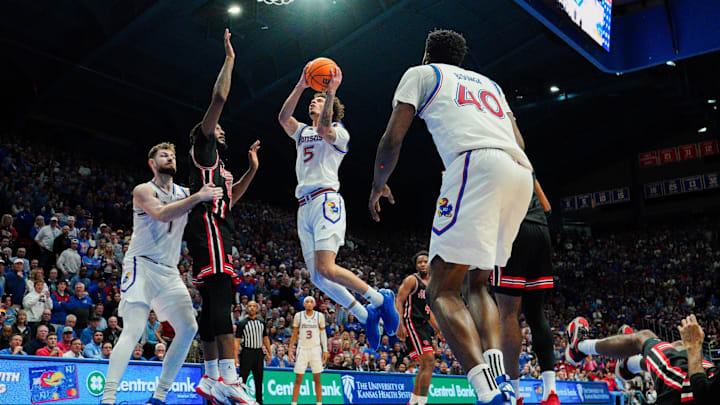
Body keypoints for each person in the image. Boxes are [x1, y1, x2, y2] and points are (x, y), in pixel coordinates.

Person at [369, 29, 534, 405]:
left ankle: (486, 390)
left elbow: (392, 138)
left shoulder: (422, 74)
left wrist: (378, 184)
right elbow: (519, 142)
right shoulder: (490, 84)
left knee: (440, 288)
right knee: (478, 284)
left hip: (476, 164)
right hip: (520, 173)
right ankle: (501, 381)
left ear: (428, 54)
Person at [278, 60, 398, 351]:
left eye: (317, 100)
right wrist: (301, 85)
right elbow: (283, 118)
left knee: (327, 268)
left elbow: (323, 129)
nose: (313, 102)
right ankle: (363, 312)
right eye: (313, 99)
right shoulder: (302, 132)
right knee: (318, 277)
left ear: (332, 108)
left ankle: (382, 299)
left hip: (325, 201)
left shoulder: (339, 133)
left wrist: (330, 91)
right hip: (303, 205)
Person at [100, 141, 224, 405]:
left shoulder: (185, 192)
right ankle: (108, 398)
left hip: (169, 271)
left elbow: (223, 197)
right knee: (133, 329)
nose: (169, 158)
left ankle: (158, 397)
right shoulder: (144, 190)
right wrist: (198, 197)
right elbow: (161, 214)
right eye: (163, 155)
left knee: (190, 327)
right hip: (141, 265)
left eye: (172, 155)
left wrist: (246, 173)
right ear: (152, 163)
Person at [183, 28, 259, 405]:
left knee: (212, 306)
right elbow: (219, 97)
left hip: (216, 227)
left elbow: (232, 198)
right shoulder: (205, 149)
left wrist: (252, 170)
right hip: (209, 231)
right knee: (221, 304)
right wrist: (229, 60)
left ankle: (211, 378)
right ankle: (231, 377)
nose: (221, 128)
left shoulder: (219, 169)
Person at [489, 175, 559, 405]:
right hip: (540, 231)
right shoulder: (525, 164)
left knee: (508, 315)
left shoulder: (486, 156)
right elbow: (547, 208)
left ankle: (515, 393)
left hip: (512, 231)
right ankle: (551, 393)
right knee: (536, 315)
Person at [566, 315, 718, 405]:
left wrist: (694, 348)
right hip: (708, 378)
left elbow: (702, 394)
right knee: (678, 346)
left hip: (686, 391)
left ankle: (578, 349)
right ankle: (628, 366)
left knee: (643, 337)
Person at [395, 251, 443, 405]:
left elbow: (429, 313)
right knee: (429, 361)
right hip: (411, 322)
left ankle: (414, 401)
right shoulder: (412, 280)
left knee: (426, 364)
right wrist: (399, 323)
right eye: (419, 262)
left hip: (422, 324)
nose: (423, 264)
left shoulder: (431, 286)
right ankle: (422, 401)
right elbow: (399, 300)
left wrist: (439, 330)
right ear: (416, 266)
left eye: (425, 261)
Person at [288, 297, 329, 405]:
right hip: (302, 349)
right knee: (298, 378)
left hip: (315, 349)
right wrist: (290, 349)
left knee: (317, 378)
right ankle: (294, 403)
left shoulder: (319, 316)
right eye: (307, 302)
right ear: (304, 304)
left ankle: (319, 403)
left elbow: (323, 333)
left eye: (311, 302)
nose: (309, 303)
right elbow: (294, 334)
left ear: (314, 304)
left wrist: (325, 350)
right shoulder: (298, 316)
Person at [236, 301, 272, 405]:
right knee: (243, 380)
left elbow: (265, 339)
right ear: (247, 309)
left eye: (254, 306)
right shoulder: (242, 323)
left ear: (257, 309)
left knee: (259, 380)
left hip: (258, 354)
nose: (251, 308)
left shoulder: (261, 322)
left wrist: (270, 353)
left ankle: (259, 402)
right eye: (250, 306)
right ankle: (241, 401)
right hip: (247, 353)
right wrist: (235, 357)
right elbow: (237, 341)